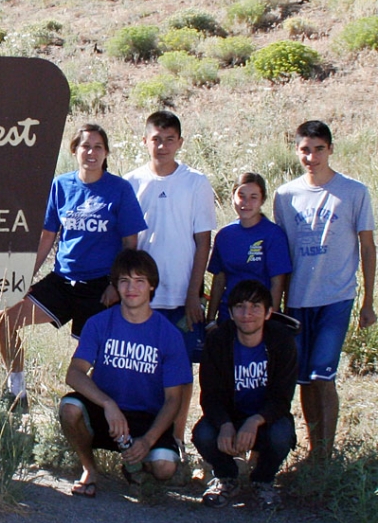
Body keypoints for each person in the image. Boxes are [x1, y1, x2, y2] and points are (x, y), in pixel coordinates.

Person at [0, 124, 146, 409]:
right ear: (74, 150)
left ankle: (97, 411)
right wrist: (24, 276)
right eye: (85, 146)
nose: (91, 152)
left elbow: (130, 243)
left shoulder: (119, 189)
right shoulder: (61, 185)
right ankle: (17, 391)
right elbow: (47, 237)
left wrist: (117, 284)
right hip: (63, 281)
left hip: (101, 287)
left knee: (95, 357)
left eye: (98, 146)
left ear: (106, 152)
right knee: (3, 319)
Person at [273, 120, 375, 461]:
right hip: (298, 300)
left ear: (331, 149)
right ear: (296, 151)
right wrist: (277, 305)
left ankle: (326, 455)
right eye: (305, 149)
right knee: (303, 378)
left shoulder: (354, 192)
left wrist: (368, 300)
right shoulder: (286, 196)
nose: (312, 156)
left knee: (323, 374)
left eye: (318, 149)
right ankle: (313, 449)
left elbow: (367, 246)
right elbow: (282, 253)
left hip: (336, 297)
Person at [59, 249, 192, 497]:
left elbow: (174, 398)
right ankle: (89, 469)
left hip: (146, 418)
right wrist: (108, 404)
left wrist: (148, 440)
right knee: (70, 408)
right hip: (107, 414)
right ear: (116, 287)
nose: (132, 288)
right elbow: (74, 374)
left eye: (139, 281)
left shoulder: (169, 335)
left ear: (152, 286)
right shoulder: (99, 323)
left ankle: (135, 463)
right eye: (124, 281)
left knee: (164, 468)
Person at [124, 110, 217, 448]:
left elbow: (203, 241)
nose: (162, 146)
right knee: (140, 365)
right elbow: (129, 241)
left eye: (169, 139)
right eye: (155, 139)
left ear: (180, 142)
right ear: (144, 141)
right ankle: (142, 437)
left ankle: (176, 439)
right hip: (141, 297)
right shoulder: (131, 182)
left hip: (181, 296)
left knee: (180, 371)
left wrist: (194, 294)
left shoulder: (196, 182)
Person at [192, 280, 297, 510]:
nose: (247, 314)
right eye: (240, 307)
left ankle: (263, 481)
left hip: (265, 420)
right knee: (203, 433)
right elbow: (210, 394)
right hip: (231, 416)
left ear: (269, 312)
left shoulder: (282, 341)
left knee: (282, 434)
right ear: (230, 312)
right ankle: (226, 478)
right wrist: (225, 424)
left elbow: (282, 397)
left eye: (255, 307)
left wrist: (256, 420)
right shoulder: (218, 341)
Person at [207, 173, 291, 324]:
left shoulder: (273, 235)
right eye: (241, 195)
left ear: (262, 200)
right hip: (229, 315)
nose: (246, 202)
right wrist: (211, 318)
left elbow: (277, 283)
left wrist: (269, 319)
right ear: (233, 197)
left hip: (258, 317)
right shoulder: (224, 235)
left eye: (253, 197)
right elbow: (219, 280)